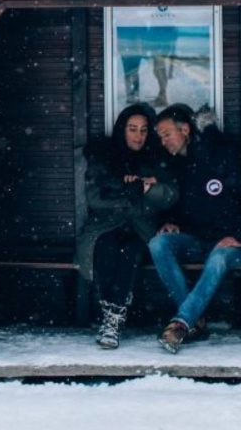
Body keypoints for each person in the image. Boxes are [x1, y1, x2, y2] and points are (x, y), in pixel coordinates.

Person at [149, 104, 241, 354]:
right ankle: (195, 320)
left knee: (217, 258)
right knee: (158, 243)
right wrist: (171, 222)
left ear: (185, 130)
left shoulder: (219, 155)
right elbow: (176, 203)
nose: (163, 142)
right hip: (197, 241)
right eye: (160, 137)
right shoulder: (175, 166)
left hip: (231, 245)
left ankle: (181, 323)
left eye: (166, 134)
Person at [74, 103, 177, 349]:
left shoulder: (157, 158)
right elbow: (93, 196)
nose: (138, 136)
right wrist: (122, 188)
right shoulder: (105, 157)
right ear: (122, 129)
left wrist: (147, 187)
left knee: (131, 250)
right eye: (132, 129)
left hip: (141, 227)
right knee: (108, 247)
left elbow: (171, 195)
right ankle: (112, 318)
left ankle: (113, 319)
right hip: (105, 226)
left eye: (143, 130)